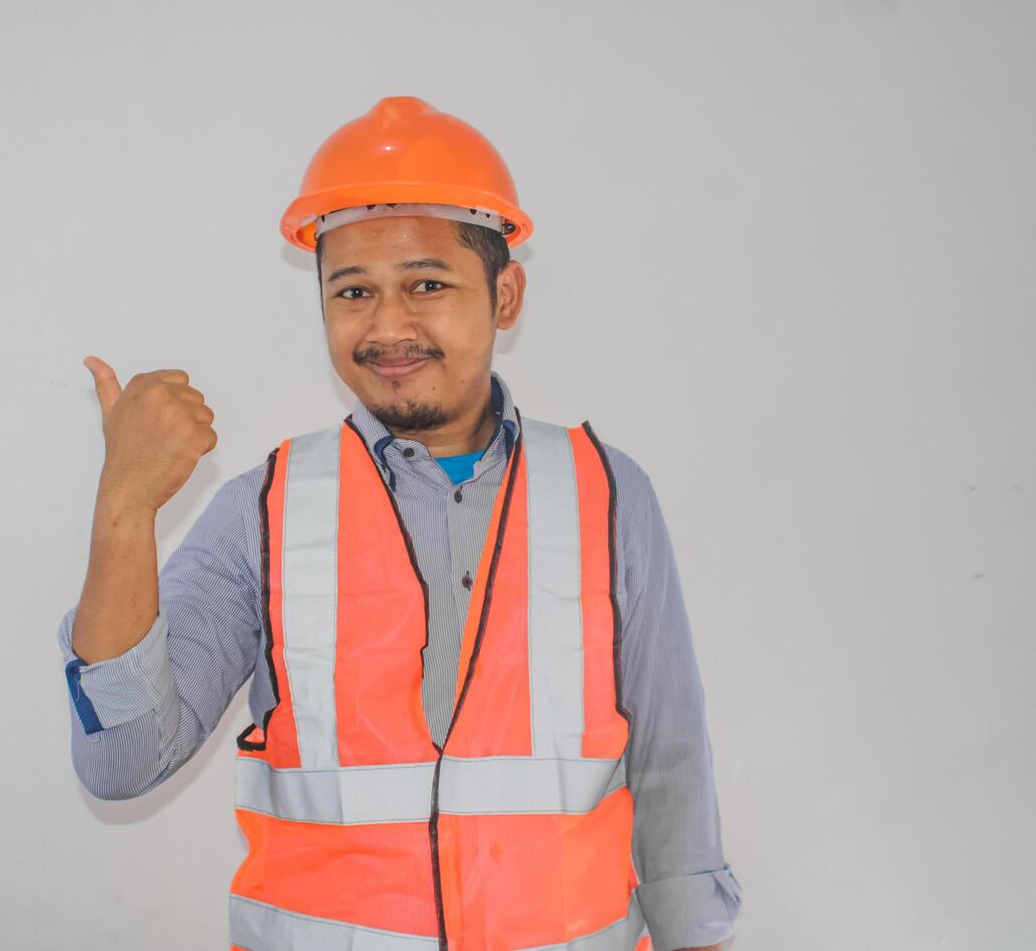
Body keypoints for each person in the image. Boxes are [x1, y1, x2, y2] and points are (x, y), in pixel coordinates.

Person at [57, 96, 743, 951]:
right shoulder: (263, 512)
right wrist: (124, 512)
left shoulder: (607, 494)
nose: (388, 327)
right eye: (353, 291)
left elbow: (670, 762)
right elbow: (122, 764)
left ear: (506, 293)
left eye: (428, 283)